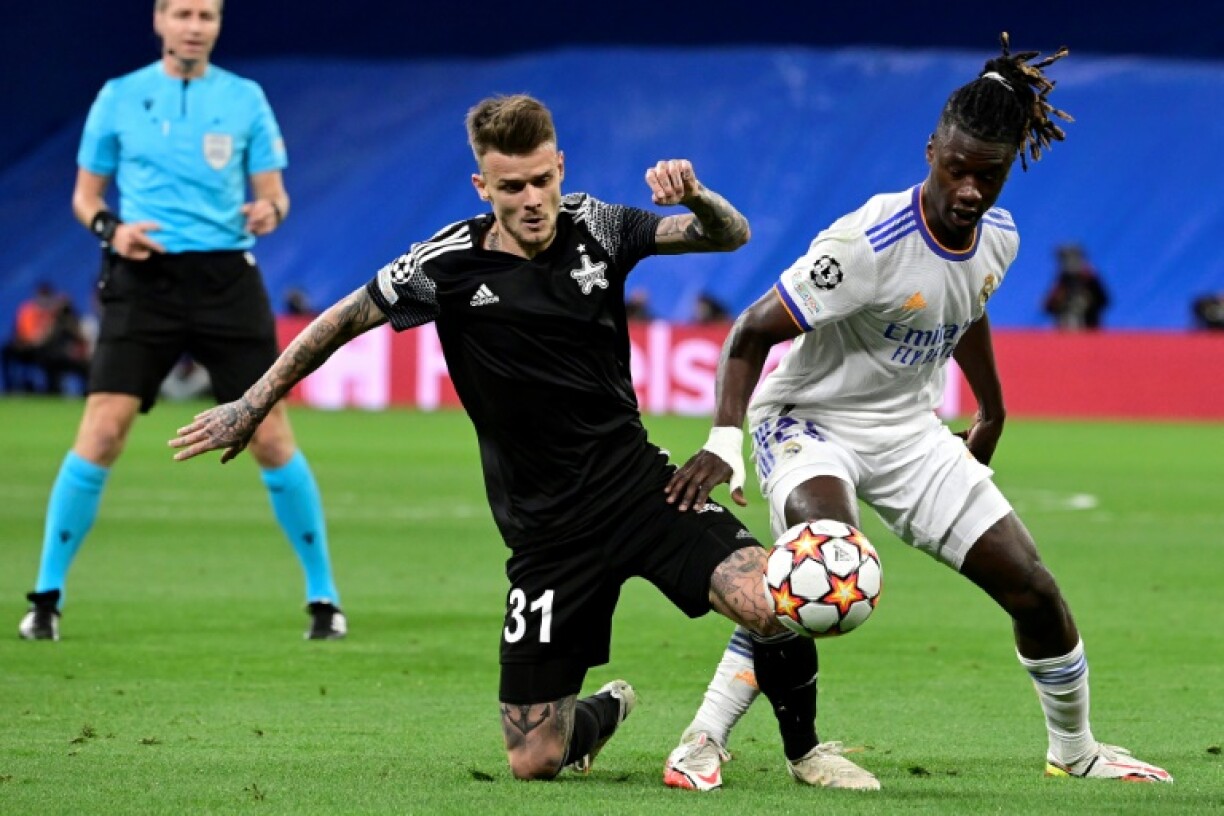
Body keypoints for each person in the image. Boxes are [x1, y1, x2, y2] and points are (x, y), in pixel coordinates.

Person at [168, 93, 865, 787]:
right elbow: (340, 322)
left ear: (560, 166)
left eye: (542, 179)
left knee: (776, 599)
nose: (532, 199)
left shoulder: (601, 225)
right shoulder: (442, 267)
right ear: (483, 186)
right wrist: (252, 405)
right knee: (533, 760)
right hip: (546, 536)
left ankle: (806, 752)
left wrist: (701, 196)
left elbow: (727, 235)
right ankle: (604, 712)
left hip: (642, 492)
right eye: (511, 186)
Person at [661, 35, 1172, 790]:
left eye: (988, 175)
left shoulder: (998, 237)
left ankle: (1076, 750)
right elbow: (750, 332)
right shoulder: (864, 244)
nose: (969, 189)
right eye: (957, 168)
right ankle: (701, 740)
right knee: (822, 564)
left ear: (1007, 169)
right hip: (809, 418)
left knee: (1033, 588)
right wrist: (723, 440)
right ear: (931, 149)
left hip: (908, 431)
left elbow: (964, 309)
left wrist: (993, 408)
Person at [17, 0, 345, 642]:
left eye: (208, 15)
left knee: (271, 433)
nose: (196, 25)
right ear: (160, 20)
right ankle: (46, 598)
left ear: (218, 25)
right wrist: (114, 229)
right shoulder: (119, 96)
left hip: (227, 280)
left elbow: (275, 193)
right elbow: (86, 198)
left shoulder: (245, 97)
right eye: (184, 13)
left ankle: (324, 599)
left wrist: (269, 211)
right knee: (103, 429)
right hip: (144, 279)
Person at [1, 281, 91, 394]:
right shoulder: (29, 310)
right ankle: (12, 388)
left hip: (51, 351)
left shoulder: (57, 314)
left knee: (53, 358)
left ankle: (57, 390)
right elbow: (27, 335)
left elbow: (75, 334)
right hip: (31, 348)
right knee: (8, 350)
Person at [1042, 243, 1108, 329]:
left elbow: (1103, 301)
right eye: (1065, 259)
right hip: (1065, 330)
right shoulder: (1062, 280)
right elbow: (1048, 306)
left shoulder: (1090, 279)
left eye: (1073, 258)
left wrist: (1087, 301)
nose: (1070, 262)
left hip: (1089, 328)